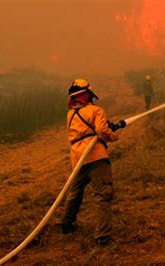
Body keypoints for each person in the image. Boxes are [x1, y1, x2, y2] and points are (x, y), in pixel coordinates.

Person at [62, 78, 118, 246]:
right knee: (103, 195)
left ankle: (66, 224)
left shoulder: (70, 113)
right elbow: (101, 131)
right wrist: (113, 135)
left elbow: (83, 130)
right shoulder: (96, 110)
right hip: (95, 157)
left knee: (75, 193)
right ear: (87, 94)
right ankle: (103, 236)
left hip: (77, 157)